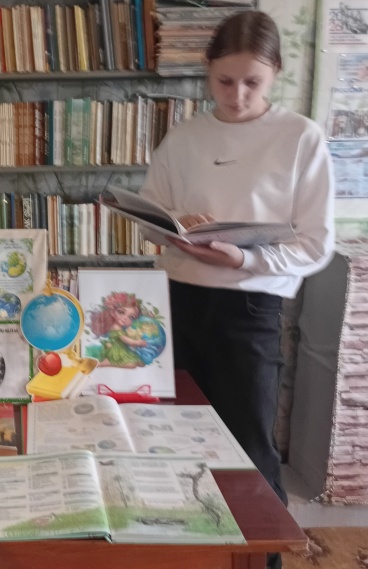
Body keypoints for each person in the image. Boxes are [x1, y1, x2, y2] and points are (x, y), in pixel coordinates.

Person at [139, 8, 334, 530]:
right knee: (177, 433)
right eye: (225, 81)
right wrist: (175, 226)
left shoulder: (300, 137)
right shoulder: (185, 137)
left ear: (275, 73)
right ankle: (192, 548)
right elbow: (150, 216)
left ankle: (264, 555)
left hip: (250, 306)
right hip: (177, 299)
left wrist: (245, 258)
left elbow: (316, 244)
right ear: (208, 70)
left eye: (253, 82)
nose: (238, 95)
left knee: (247, 443)